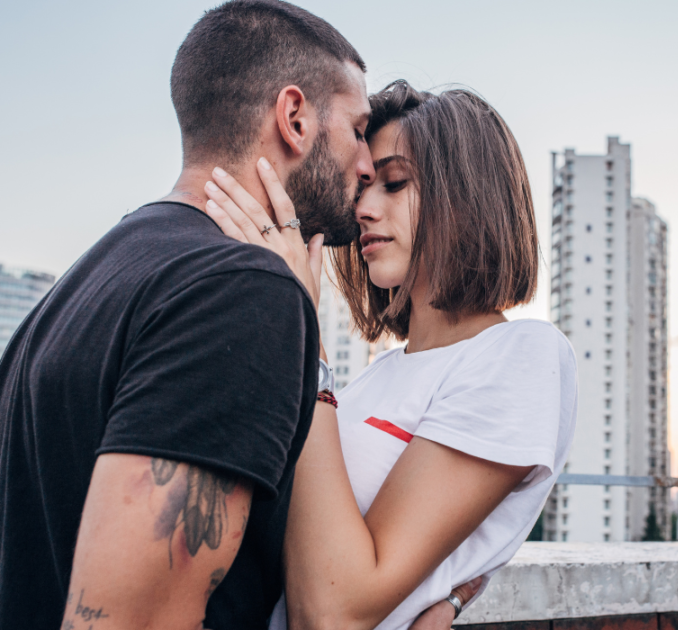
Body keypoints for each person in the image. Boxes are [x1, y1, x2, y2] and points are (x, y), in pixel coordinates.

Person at [0, 3, 395, 629]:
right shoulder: (242, 293)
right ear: (294, 118)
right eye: (357, 129)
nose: (367, 165)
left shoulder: (84, 280)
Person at [203, 80, 578, 630]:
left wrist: (302, 338)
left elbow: (332, 612)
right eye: (363, 189)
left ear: (469, 196)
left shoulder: (523, 354)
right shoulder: (375, 379)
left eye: (395, 183)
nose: (365, 209)